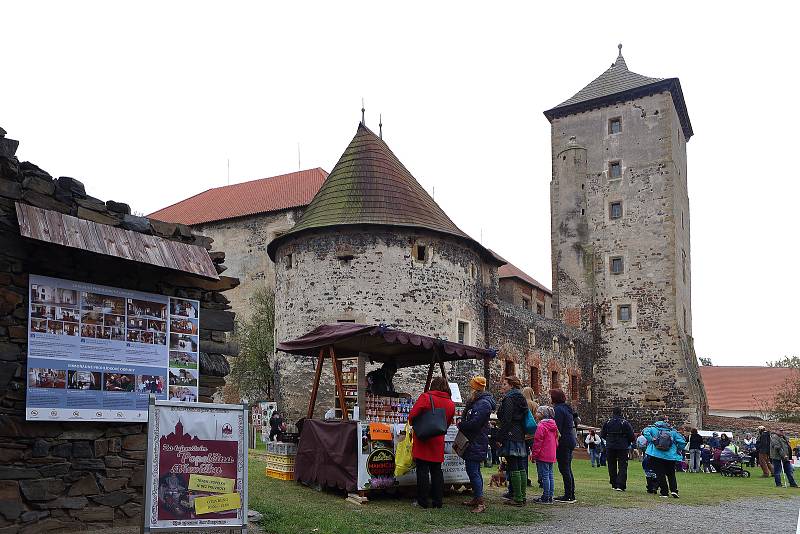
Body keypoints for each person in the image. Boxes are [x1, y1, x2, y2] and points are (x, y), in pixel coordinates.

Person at [409, 377, 456, 508]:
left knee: (422, 471)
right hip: (438, 439)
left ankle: (423, 501)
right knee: (436, 471)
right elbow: (448, 422)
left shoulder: (426, 397)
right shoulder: (451, 403)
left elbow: (412, 415)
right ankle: (437, 501)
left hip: (424, 437)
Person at [457, 376, 495, 513]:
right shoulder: (477, 402)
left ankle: (480, 502)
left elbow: (475, 423)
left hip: (476, 440)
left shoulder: (483, 403)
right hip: (474, 440)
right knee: (473, 470)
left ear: (476, 388)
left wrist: (462, 424)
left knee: (473, 471)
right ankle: (476, 498)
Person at [496, 375, 529, 506]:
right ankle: (522, 496)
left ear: (511, 385)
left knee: (514, 465)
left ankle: (518, 498)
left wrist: (500, 437)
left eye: (504, 384)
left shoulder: (509, 398)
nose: (502, 387)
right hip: (519, 433)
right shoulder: (521, 398)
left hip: (511, 434)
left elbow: (507, 419)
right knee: (520, 465)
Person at [642, 415, 686, 498]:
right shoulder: (672, 431)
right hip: (670, 456)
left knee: (660, 474)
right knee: (671, 474)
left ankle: (664, 492)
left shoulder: (653, 428)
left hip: (656, 454)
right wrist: (677, 449)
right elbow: (682, 442)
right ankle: (674, 490)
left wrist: (652, 440)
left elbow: (645, 432)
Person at [551, 388, 577, 503]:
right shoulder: (567, 409)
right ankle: (571, 493)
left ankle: (568, 494)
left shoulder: (558, 410)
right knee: (567, 468)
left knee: (564, 468)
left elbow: (557, 428)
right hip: (570, 439)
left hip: (564, 442)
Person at [601, 406, 635, 491]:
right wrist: (627, 442)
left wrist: (609, 440)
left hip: (610, 446)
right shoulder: (625, 423)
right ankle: (621, 484)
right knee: (622, 465)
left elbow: (603, 434)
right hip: (622, 446)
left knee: (611, 465)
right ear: (621, 413)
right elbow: (631, 436)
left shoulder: (608, 422)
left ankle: (614, 483)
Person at [529, 405, 558, 504]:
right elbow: (556, 440)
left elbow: (537, 442)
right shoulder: (553, 426)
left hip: (543, 454)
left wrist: (534, 455)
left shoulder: (541, 426)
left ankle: (545, 496)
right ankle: (550, 495)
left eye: (538, 412)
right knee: (550, 475)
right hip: (551, 453)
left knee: (545, 475)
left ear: (542, 414)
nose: (536, 414)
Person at [521, 386, 539, 487]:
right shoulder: (535, 405)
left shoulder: (521, 404)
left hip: (523, 434)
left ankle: (525, 479)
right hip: (533, 435)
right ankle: (541, 479)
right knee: (537, 458)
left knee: (523, 458)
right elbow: (538, 418)